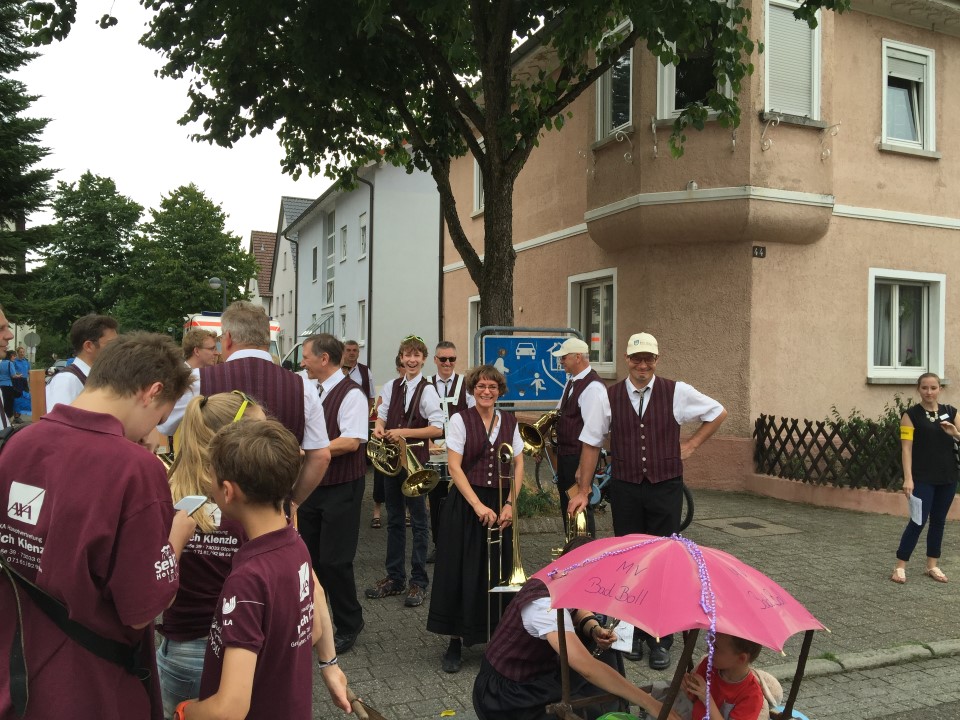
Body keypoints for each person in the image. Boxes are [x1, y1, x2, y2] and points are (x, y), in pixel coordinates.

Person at [0, 332, 196, 719]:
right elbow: (141, 611)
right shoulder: (135, 469)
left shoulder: (18, 443)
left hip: (17, 669)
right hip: (92, 685)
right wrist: (176, 538)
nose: (151, 431)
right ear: (152, 391)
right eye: (159, 417)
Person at [173, 420, 351, 719]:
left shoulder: (248, 579)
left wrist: (185, 711)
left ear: (227, 491)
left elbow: (230, 708)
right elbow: (315, 628)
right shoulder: (294, 543)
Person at [571, 332, 727, 670]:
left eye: (649, 359)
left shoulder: (677, 391)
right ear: (627, 359)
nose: (643, 365)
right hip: (626, 487)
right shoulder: (609, 396)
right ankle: (630, 634)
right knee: (630, 562)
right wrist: (583, 490)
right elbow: (591, 442)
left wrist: (692, 445)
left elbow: (718, 412)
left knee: (664, 561)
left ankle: (660, 639)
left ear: (657, 360)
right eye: (637, 358)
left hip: (665, 487)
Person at [472, 538, 682, 720]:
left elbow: (576, 609)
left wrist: (594, 628)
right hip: (506, 694)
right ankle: (606, 705)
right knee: (589, 676)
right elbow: (587, 667)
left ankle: (613, 704)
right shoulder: (543, 606)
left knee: (604, 651)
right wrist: (651, 704)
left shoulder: (560, 575)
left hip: (533, 674)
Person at [158, 301, 331, 509]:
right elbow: (320, 457)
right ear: (266, 339)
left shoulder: (196, 380)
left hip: (211, 510)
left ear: (229, 338)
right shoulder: (303, 387)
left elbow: (162, 427)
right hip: (273, 512)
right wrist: (292, 501)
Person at [156, 391, 266, 718]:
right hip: (237, 648)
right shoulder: (250, 500)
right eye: (260, 434)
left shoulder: (166, 490)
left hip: (179, 648)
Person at [427, 364, 522, 673]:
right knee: (461, 570)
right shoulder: (460, 420)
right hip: (467, 504)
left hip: (500, 503)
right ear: (472, 389)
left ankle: (497, 638)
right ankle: (455, 641)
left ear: (499, 391)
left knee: (498, 572)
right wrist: (478, 506)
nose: (486, 391)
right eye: (481, 386)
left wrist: (510, 504)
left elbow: (518, 465)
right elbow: (454, 467)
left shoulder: (509, 421)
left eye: (492, 387)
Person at [297, 334, 369, 654]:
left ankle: (350, 622)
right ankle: (317, 620)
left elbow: (351, 441)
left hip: (342, 486)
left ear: (324, 359)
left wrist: (307, 451)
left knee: (335, 561)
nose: (303, 362)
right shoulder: (312, 388)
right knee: (310, 559)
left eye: (307, 357)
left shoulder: (352, 394)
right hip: (313, 485)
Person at [365, 335, 444, 608]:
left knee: (420, 523)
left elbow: (437, 428)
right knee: (395, 520)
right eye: (407, 355)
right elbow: (382, 415)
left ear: (423, 359)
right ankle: (395, 577)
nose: (411, 360)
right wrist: (379, 427)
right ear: (401, 358)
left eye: (416, 356)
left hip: (415, 463)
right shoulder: (391, 386)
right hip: (391, 463)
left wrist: (402, 432)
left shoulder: (428, 390)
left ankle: (419, 581)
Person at [891, 372, 959, 584]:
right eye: (925, 388)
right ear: (918, 389)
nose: (929, 392)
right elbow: (906, 449)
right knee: (917, 521)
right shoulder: (910, 415)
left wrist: (955, 433)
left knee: (938, 521)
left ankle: (932, 565)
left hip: (948, 477)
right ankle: (900, 566)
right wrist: (908, 478)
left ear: (940, 389)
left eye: (933, 388)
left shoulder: (951, 412)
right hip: (922, 478)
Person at [550, 337, 607, 538]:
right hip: (568, 455)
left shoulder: (593, 388)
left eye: (564, 357)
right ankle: (572, 545)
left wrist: (583, 467)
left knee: (580, 508)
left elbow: (594, 432)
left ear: (578, 357)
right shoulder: (573, 382)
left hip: (578, 456)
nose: (561, 361)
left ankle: (584, 549)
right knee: (568, 505)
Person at [426, 340, 475, 563]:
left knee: (460, 499)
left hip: (460, 452)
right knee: (436, 500)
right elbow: (420, 417)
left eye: (452, 359)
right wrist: (428, 442)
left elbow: (474, 418)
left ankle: (460, 545)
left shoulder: (466, 384)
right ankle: (439, 545)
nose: (447, 363)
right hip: (433, 452)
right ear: (435, 360)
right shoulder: (425, 384)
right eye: (443, 359)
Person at [680, 634, 764, 720]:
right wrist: (689, 689)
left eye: (715, 646)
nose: (708, 649)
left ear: (741, 658)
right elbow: (695, 701)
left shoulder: (752, 696)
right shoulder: (709, 665)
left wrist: (707, 698)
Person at [45, 314, 119, 411]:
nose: (117, 348)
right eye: (111, 344)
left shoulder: (101, 377)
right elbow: (58, 420)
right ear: (89, 346)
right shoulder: (66, 380)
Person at [370, 354, 403, 529]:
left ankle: (406, 512)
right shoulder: (390, 386)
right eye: (402, 366)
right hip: (388, 439)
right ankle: (377, 512)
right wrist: (380, 426)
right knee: (381, 478)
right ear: (398, 368)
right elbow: (379, 411)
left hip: (405, 440)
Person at [0, 351, 14, 425]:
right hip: (8, 385)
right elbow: (13, 374)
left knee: (3, 402)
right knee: (9, 403)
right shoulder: (10, 363)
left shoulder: (0, 363)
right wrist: (18, 375)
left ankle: (3, 419)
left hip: (1, 385)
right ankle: (9, 419)